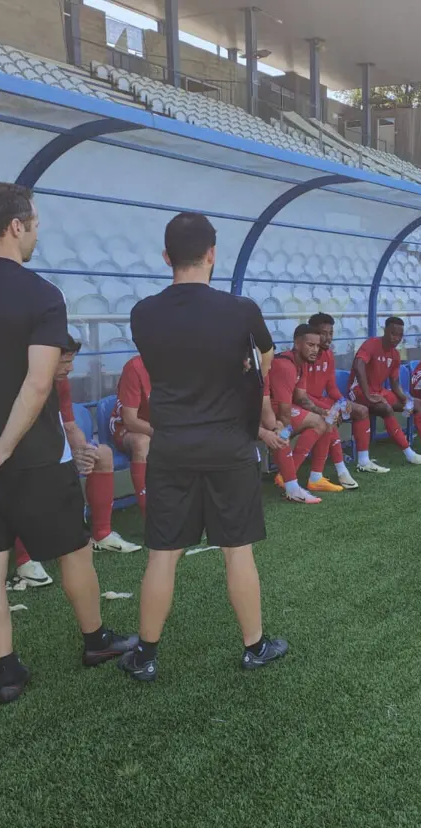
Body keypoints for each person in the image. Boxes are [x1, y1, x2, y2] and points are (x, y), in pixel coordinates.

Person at [0, 182, 136, 704]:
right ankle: (96, 641)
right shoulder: (42, 294)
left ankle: (8, 672)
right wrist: (4, 448)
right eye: (34, 222)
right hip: (34, 456)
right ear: (16, 226)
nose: (36, 231)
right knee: (75, 552)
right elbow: (39, 383)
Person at [121, 212, 288, 681]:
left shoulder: (143, 312)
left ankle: (147, 656)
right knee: (238, 552)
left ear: (166, 257)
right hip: (230, 446)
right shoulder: (241, 311)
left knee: (162, 554)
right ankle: (254, 648)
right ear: (213, 254)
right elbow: (267, 359)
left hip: (171, 444)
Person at [54, 339, 141, 553]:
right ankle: (26, 560)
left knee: (101, 453)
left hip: (56, 443)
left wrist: (82, 450)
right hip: (28, 450)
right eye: (65, 361)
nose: (71, 368)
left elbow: (71, 425)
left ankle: (102, 534)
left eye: (72, 361)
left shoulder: (61, 383)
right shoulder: (25, 382)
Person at [347, 317, 421, 472]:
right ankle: (408, 454)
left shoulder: (395, 354)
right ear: (385, 331)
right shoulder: (372, 344)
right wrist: (367, 394)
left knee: (418, 404)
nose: (396, 338)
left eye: (400, 335)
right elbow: (358, 365)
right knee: (386, 408)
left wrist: (405, 399)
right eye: (393, 333)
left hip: (378, 391)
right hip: (358, 391)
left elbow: (395, 383)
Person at [266, 324, 337, 504]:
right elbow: (283, 410)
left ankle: (315, 478)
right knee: (300, 428)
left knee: (325, 420)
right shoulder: (285, 366)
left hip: (279, 409)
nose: (315, 350)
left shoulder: (301, 363)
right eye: (310, 345)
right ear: (297, 344)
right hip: (268, 412)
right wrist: (286, 431)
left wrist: (322, 410)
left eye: (317, 346)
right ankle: (289, 481)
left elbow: (302, 398)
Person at [303, 312, 360, 490]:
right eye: (323, 333)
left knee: (359, 410)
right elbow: (301, 394)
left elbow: (332, 387)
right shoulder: (303, 356)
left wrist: (342, 402)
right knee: (330, 419)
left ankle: (361, 460)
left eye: (331, 333)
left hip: (319, 401)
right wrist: (330, 409)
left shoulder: (328, 355)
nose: (328, 338)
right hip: (302, 403)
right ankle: (340, 470)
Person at [111, 353, 152, 515]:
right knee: (142, 442)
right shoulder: (135, 367)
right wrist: (167, 434)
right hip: (126, 427)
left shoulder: (181, 365)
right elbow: (130, 420)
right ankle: (147, 512)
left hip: (163, 428)